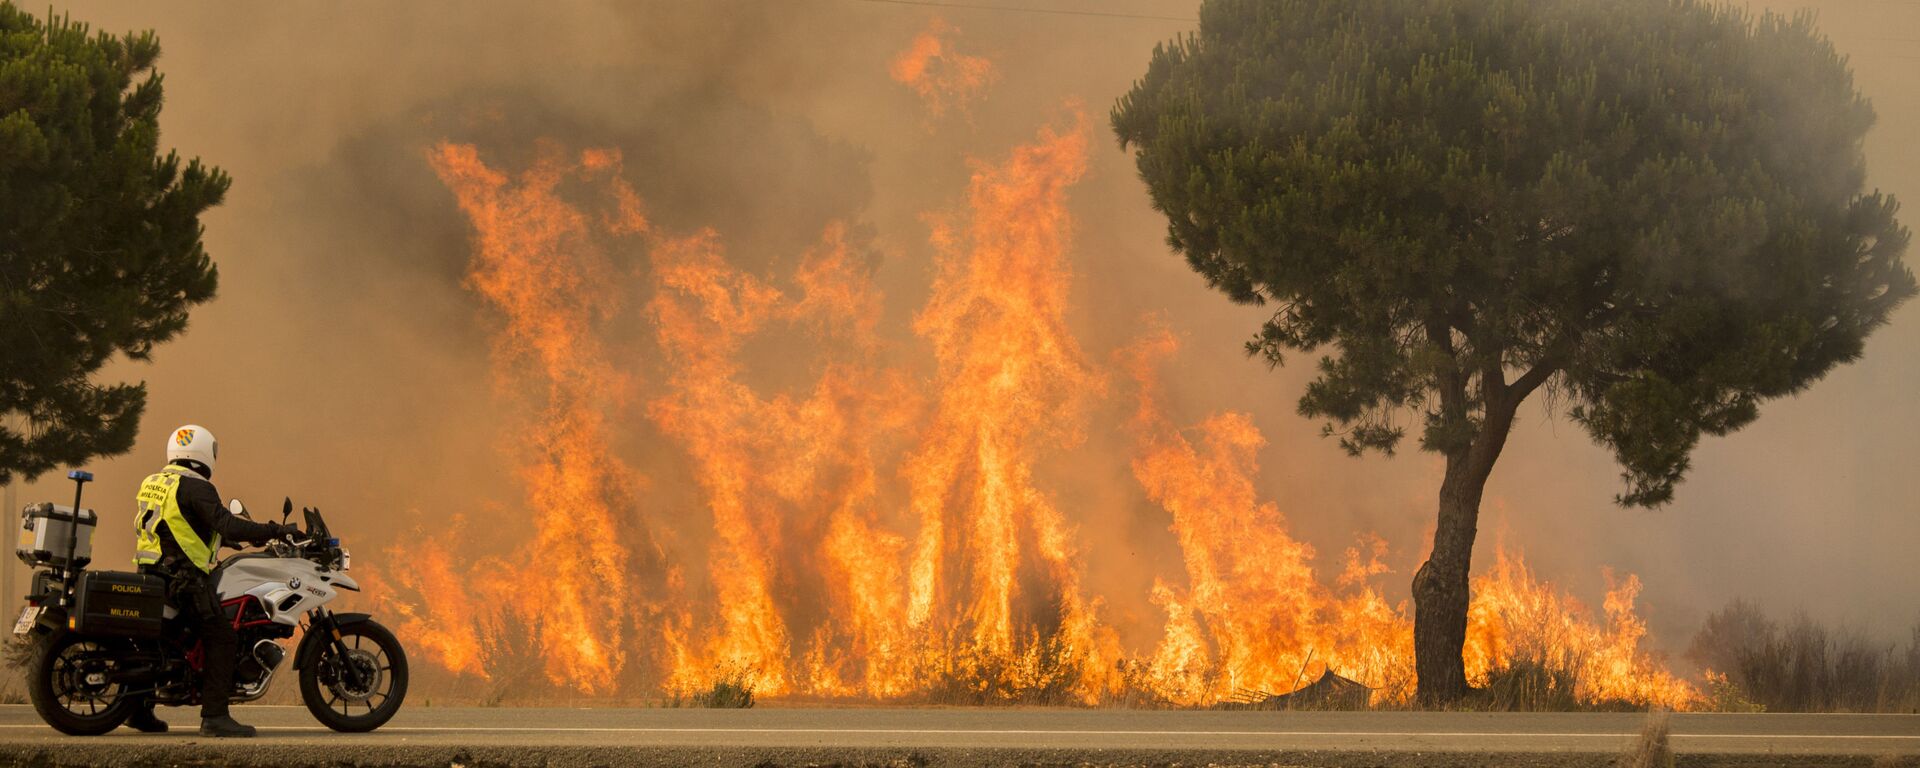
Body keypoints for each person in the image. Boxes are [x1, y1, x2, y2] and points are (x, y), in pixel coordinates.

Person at [126, 424, 297, 738]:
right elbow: (227, 523)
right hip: (183, 580)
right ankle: (215, 716)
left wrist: (222, 542)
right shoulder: (196, 487)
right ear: (204, 453)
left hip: (153, 574)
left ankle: (138, 711)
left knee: (157, 643)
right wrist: (275, 530)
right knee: (223, 638)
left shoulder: (156, 482)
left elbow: (180, 525)